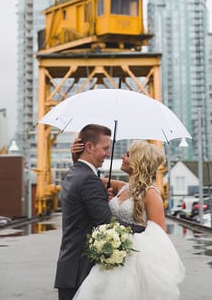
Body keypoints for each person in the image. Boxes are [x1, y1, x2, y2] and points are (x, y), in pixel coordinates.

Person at [73, 139, 185, 300]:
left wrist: (123, 239)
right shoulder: (122, 186)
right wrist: (77, 157)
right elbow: (86, 177)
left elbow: (160, 238)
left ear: (139, 160)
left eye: (128, 154)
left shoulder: (151, 193)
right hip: (110, 259)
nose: (123, 157)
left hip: (133, 263)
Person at [54, 124, 145, 300]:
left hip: (69, 268)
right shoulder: (88, 179)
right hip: (81, 271)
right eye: (104, 148)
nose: (108, 154)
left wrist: (103, 198)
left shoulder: (74, 173)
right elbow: (107, 223)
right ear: (89, 147)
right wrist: (147, 231)